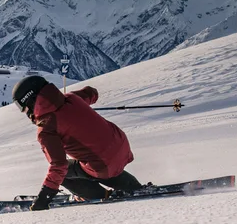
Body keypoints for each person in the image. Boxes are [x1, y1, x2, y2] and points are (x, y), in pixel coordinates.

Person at [12, 75, 143, 210]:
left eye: (22, 107)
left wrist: (45, 197)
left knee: (66, 173)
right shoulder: (72, 98)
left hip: (103, 165)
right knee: (97, 160)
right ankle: (131, 186)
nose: (25, 112)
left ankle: (96, 194)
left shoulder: (46, 128)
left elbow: (59, 165)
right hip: (122, 147)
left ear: (30, 101)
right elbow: (93, 93)